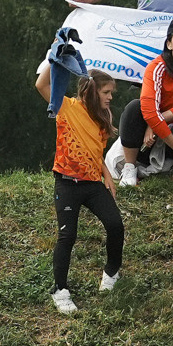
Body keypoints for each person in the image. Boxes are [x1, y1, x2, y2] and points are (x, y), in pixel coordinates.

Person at [36, 56, 123, 315]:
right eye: (106, 93)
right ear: (92, 91)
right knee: (67, 236)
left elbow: (95, 151)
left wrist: (106, 174)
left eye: (111, 94)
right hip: (67, 184)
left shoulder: (103, 117)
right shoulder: (67, 107)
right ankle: (60, 290)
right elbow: (41, 85)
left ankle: (111, 273)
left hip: (93, 183)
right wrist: (55, 56)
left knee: (115, 225)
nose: (110, 98)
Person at [114, 16, 173, 188]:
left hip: (172, 128)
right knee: (133, 107)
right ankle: (129, 167)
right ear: (169, 44)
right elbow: (149, 111)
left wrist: (157, 122)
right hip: (148, 139)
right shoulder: (156, 67)